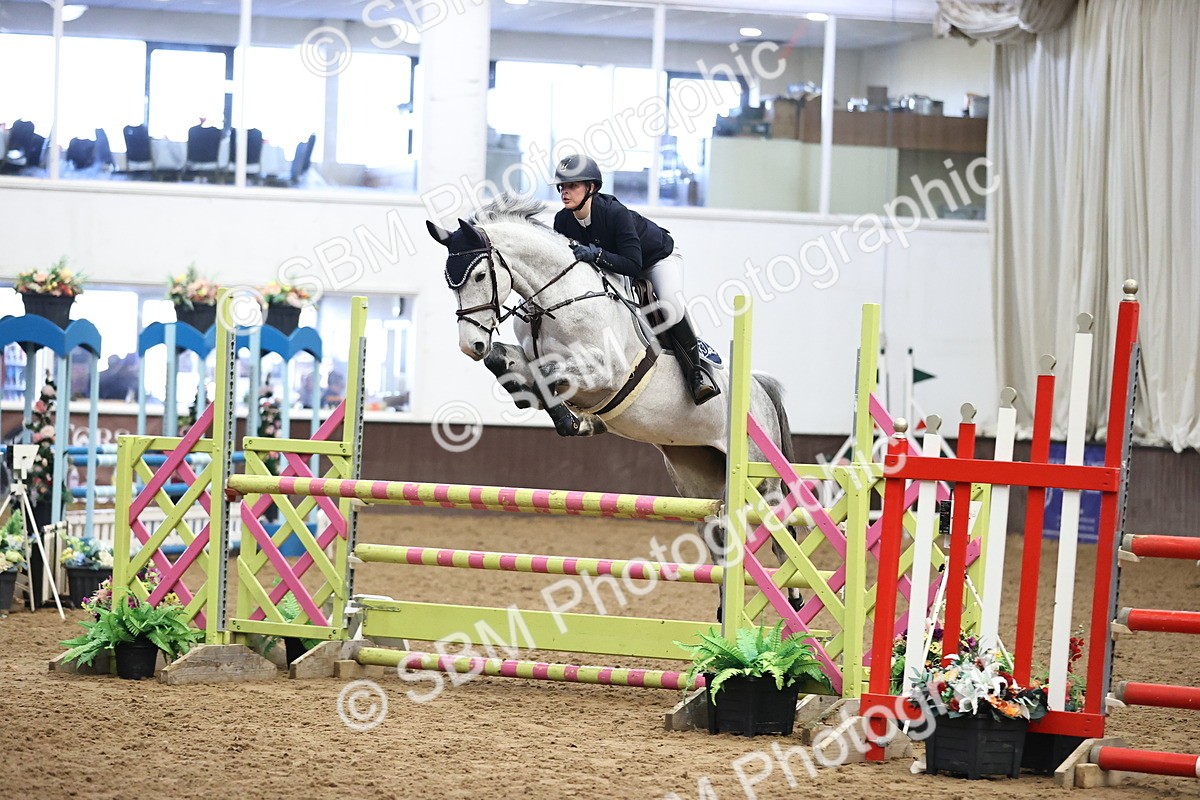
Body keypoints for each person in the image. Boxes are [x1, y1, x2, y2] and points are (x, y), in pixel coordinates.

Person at [551, 154, 719, 405]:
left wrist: (595, 254)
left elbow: (633, 265)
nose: (565, 192)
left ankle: (697, 373)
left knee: (670, 304)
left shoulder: (614, 213)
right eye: (562, 186)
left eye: (573, 186)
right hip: (616, 262)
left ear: (592, 188)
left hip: (656, 259)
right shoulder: (562, 221)